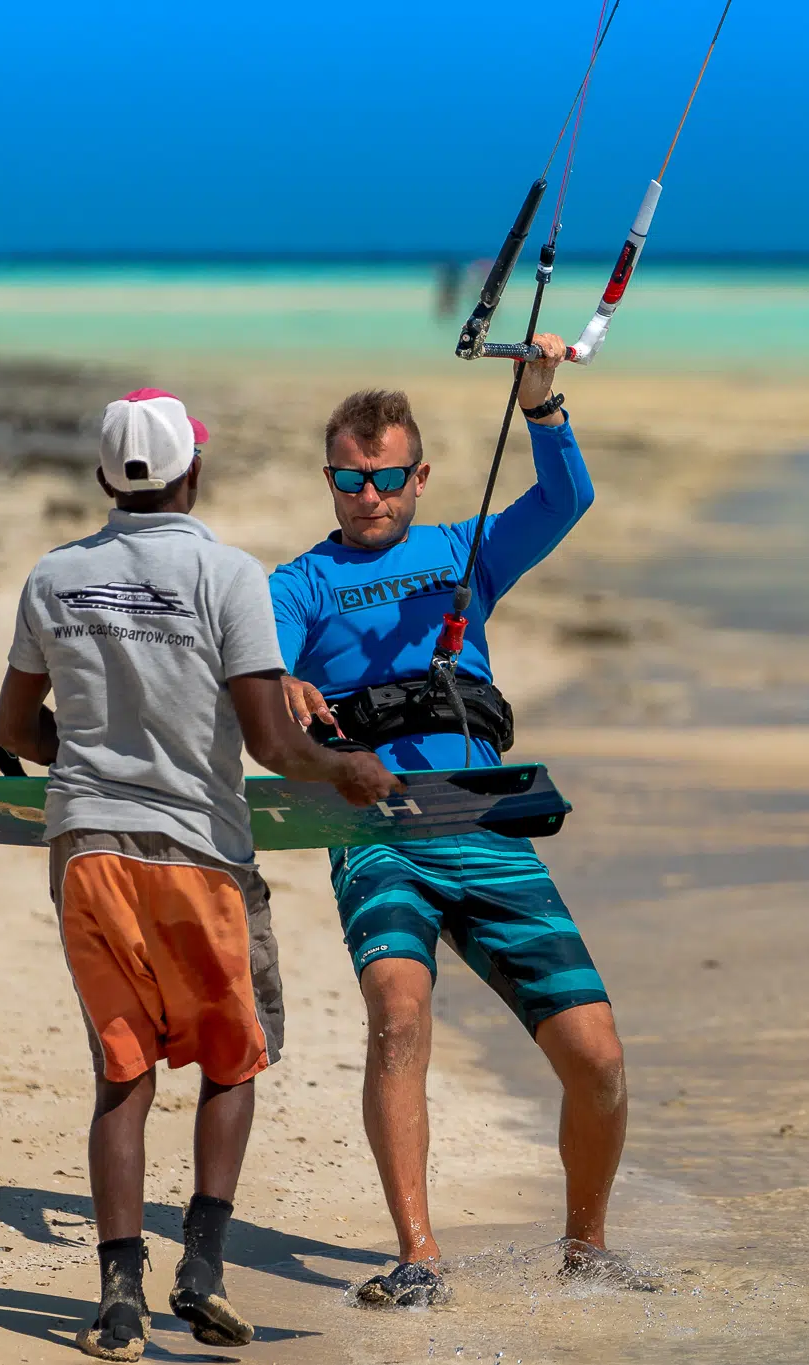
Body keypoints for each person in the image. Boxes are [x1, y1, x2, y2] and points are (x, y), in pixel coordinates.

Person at [0, 388, 402, 1360]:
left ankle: (118, 1301)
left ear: (105, 478)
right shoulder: (227, 575)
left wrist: (93, 764)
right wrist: (345, 770)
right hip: (199, 853)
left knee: (121, 1073)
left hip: (85, 850)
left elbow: (15, 731)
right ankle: (204, 1271)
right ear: (193, 471)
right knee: (231, 1060)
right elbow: (270, 743)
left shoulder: (53, 578)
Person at [270, 336, 653, 1306]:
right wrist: (288, 688)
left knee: (596, 1055)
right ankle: (418, 1256)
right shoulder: (296, 587)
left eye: (387, 477)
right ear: (330, 480)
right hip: (375, 833)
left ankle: (588, 1249)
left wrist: (541, 402)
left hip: (484, 823)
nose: (368, 496)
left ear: (420, 473)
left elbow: (566, 502)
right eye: (349, 480)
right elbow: (264, 687)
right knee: (398, 1012)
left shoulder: (461, 553)